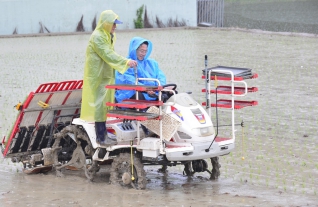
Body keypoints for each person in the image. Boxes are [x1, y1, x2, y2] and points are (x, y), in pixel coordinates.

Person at [80, 10, 137, 146]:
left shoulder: (108, 35)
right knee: (100, 105)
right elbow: (108, 54)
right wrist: (125, 62)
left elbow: (111, 53)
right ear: (106, 23)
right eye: (113, 24)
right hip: (97, 75)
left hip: (105, 74)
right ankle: (100, 137)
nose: (115, 27)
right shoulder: (98, 36)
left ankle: (104, 134)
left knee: (105, 104)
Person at [115, 37, 166, 103]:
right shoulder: (127, 63)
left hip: (152, 91)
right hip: (132, 93)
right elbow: (128, 80)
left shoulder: (152, 63)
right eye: (141, 51)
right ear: (134, 49)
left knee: (169, 93)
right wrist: (145, 89)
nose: (143, 54)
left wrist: (158, 87)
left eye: (145, 51)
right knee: (139, 96)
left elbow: (160, 76)